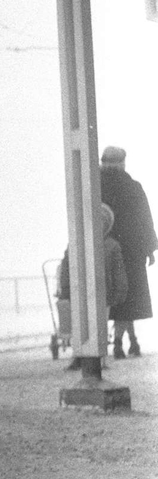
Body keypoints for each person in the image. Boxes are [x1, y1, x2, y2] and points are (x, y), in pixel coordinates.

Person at [99, 146, 157, 357]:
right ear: (122, 163)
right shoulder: (133, 187)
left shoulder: (94, 185)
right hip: (131, 252)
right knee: (129, 298)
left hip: (102, 250)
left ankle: (127, 341)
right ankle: (123, 342)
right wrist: (150, 249)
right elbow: (145, 219)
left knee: (111, 298)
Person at [57, 202, 128, 368]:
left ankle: (100, 358)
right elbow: (67, 267)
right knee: (81, 324)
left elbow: (119, 271)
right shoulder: (76, 243)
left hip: (104, 293)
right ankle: (79, 355)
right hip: (81, 292)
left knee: (99, 325)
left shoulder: (111, 246)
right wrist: (66, 288)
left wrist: (120, 291)